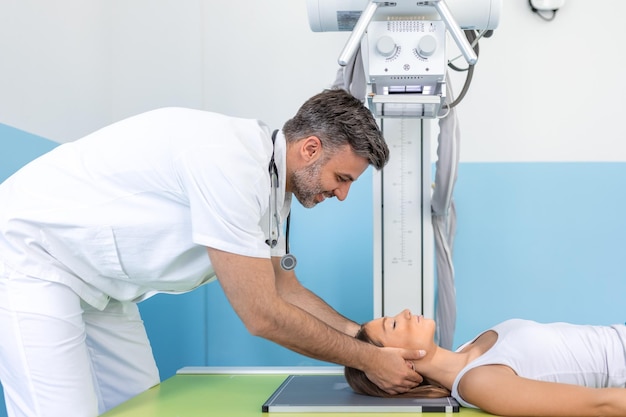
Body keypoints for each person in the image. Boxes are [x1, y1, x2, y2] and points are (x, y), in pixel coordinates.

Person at [0, 89, 425, 417]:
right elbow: (262, 314)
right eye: (342, 177)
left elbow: (285, 287)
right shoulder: (229, 164)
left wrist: (365, 337)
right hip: (34, 257)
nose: (344, 194)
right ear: (310, 149)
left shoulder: (273, 186)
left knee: (143, 404)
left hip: (103, 287)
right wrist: (371, 360)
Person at [344, 309, 626, 416]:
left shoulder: (469, 347)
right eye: (393, 324)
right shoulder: (478, 383)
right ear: (400, 364)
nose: (405, 312)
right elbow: (600, 404)